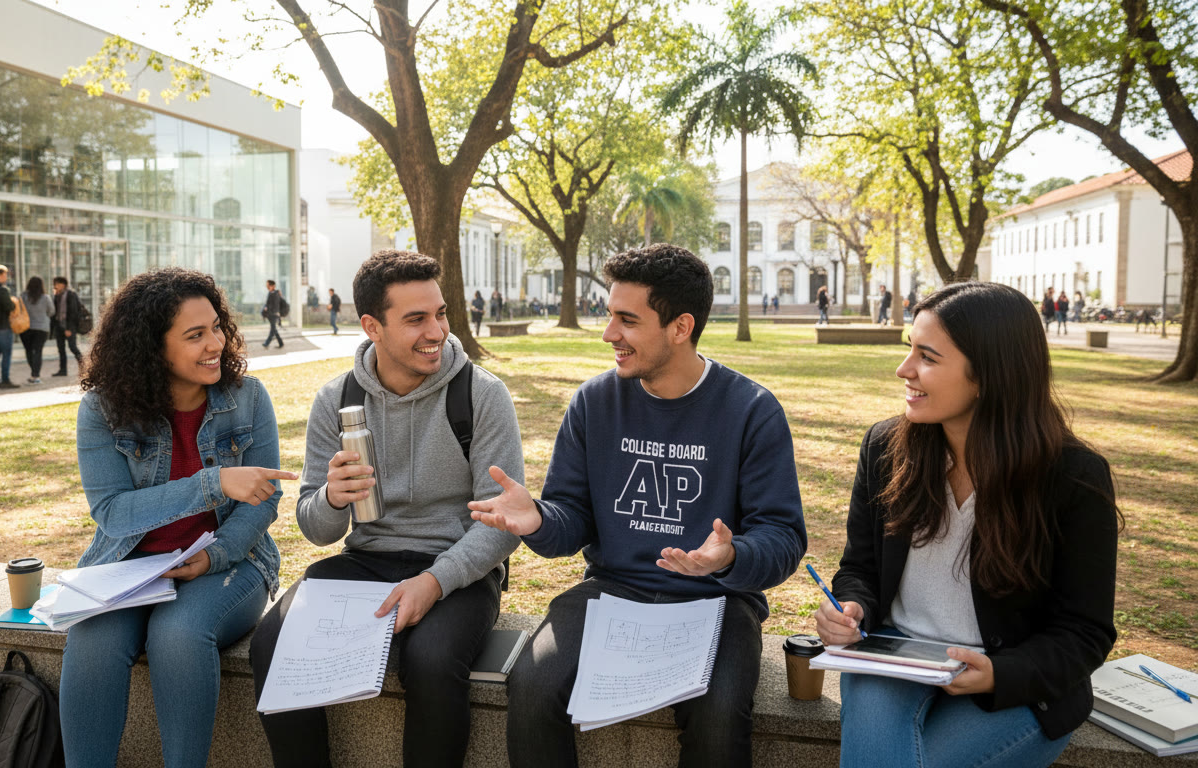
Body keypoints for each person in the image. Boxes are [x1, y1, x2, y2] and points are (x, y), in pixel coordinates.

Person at [470, 243, 808, 768]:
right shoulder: (594, 402)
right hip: (613, 591)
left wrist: (730, 556)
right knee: (532, 686)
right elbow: (571, 519)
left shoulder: (752, 411)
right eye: (610, 316)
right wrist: (538, 518)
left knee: (719, 717)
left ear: (680, 326)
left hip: (717, 601)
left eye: (628, 320)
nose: (609, 335)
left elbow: (783, 538)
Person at [815, 281, 1120, 768]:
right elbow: (861, 569)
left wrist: (999, 673)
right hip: (893, 659)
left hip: (1015, 680)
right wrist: (853, 606)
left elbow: (1085, 631)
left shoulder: (1074, 477)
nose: (904, 370)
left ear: (987, 375)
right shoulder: (885, 448)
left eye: (927, 357)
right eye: (908, 349)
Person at [250, 250, 524, 768]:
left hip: (458, 567)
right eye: (416, 319)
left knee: (432, 659)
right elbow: (315, 528)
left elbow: (502, 524)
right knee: (274, 641)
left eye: (439, 313)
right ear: (372, 326)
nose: (436, 331)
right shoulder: (336, 399)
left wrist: (435, 581)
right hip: (366, 558)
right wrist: (332, 497)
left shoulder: (482, 395)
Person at [61, 268, 296, 768]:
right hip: (129, 567)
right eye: (195, 335)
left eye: (216, 327)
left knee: (178, 636)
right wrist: (214, 483)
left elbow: (266, 501)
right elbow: (112, 513)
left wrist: (214, 557)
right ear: (151, 348)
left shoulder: (247, 398)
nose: (215, 343)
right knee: (91, 641)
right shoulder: (102, 410)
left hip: (230, 561)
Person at [20, 276, 54, 384]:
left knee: (29, 351)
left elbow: (19, 310)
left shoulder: (23, 296)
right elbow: (52, 311)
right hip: (42, 328)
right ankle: (36, 375)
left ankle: (33, 372)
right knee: (38, 351)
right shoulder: (45, 298)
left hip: (26, 328)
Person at [52, 276, 85, 376]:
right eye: (54, 284)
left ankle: (84, 367)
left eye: (57, 284)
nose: (55, 286)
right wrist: (55, 297)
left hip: (69, 326)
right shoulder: (57, 296)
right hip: (59, 326)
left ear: (63, 284)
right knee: (61, 349)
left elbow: (73, 312)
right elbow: (55, 312)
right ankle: (63, 370)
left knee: (73, 347)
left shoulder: (71, 295)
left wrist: (69, 328)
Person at [263, 279, 284, 349]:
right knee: (273, 329)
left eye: (268, 285)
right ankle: (280, 343)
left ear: (272, 286)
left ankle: (267, 343)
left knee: (273, 329)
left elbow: (275, 305)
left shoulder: (275, 294)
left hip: (274, 314)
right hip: (271, 314)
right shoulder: (270, 293)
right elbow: (268, 303)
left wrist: (268, 309)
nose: (267, 286)